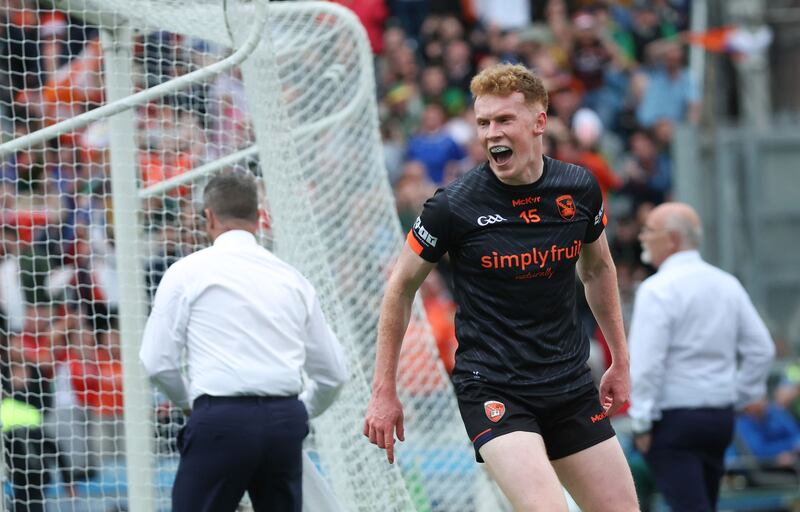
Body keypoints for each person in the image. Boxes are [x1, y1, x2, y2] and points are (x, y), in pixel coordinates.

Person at [363, 63, 639, 511]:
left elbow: (598, 270)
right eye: (484, 122)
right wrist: (383, 391)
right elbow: (399, 289)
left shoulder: (579, 188)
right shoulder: (452, 207)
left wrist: (620, 361)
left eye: (504, 120)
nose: (492, 133)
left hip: (568, 384)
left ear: (539, 121)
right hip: (494, 388)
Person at [139, 171, 347, 512]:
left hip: (221, 418)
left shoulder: (187, 272)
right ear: (260, 216)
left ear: (208, 217)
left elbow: (156, 361)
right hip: (284, 421)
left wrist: (190, 403)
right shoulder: (292, 279)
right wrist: (297, 411)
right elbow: (334, 374)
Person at [628, 202, 775, 512]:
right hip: (719, 417)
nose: (643, 237)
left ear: (672, 239)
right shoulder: (726, 283)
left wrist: (641, 422)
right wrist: (739, 395)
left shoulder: (657, 289)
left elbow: (647, 364)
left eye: (649, 231)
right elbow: (761, 348)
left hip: (673, 419)